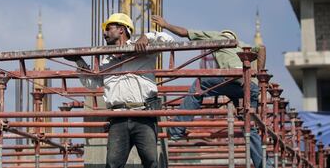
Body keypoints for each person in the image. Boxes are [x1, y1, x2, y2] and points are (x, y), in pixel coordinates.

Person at [151, 15, 269, 168]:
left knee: (200, 84)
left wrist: (166, 25)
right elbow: (262, 48)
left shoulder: (219, 37)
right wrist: (260, 78)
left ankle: (176, 130)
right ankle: (265, 165)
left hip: (236, 80)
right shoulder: (242, 44)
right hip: (249, 87)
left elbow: (184, 33)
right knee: (250, 128)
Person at [65, 13, 174, 168]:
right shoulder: (106, 59)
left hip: (143, 115)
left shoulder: (143, 47)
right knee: (113, 164)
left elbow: (169, 40)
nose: (105, 33)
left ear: (122, 29)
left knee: (151, 163)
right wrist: (79, 61)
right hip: (118, 118)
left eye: (109, 28)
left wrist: (147, 37)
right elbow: (93, 83)